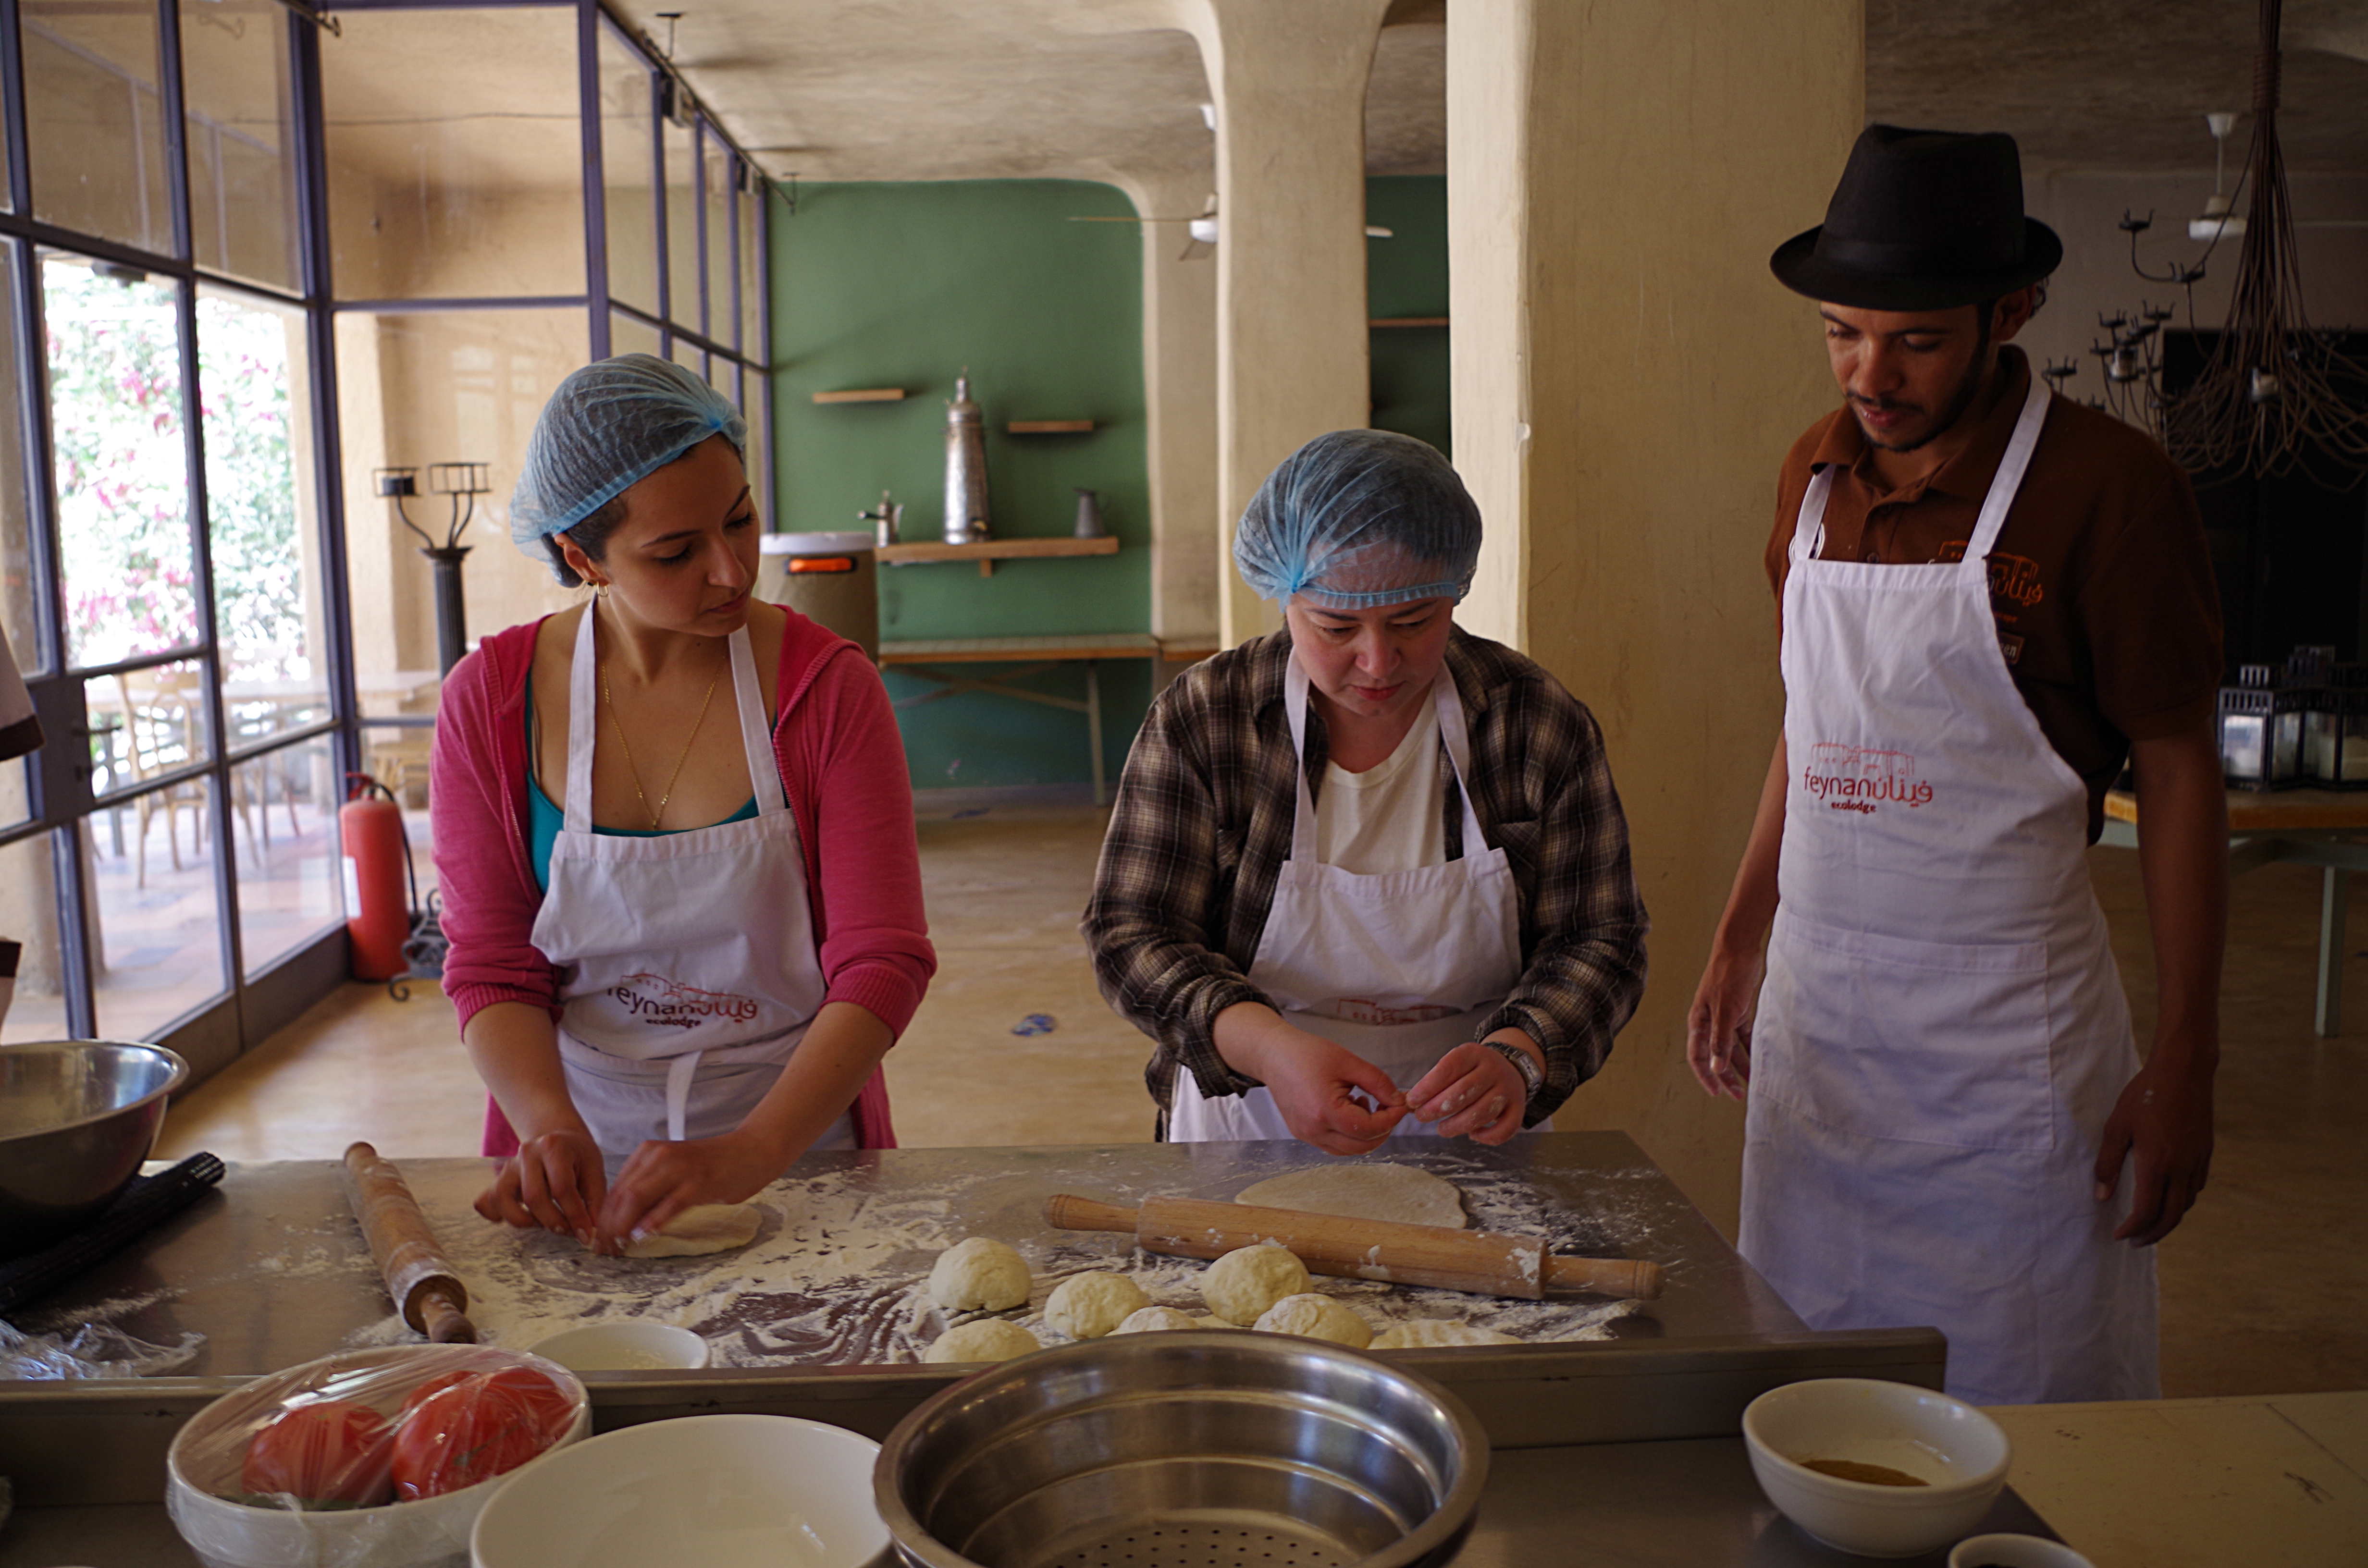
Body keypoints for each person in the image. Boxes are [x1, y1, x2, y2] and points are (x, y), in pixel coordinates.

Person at [1687, 126, 2227, 1404]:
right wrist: (1743, 925)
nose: (1871, 374)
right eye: (1842, 332)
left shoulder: (2108, 488)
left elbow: (2182, 769)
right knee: (1817, 1388)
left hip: (2004, 1049)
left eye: (1916, 340)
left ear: (2012, 311)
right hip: (1825, 1030)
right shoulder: (1813, 478)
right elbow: (1813, 722)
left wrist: (2190, 1059)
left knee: (2022, 1396)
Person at [433, 355, 934, 1252]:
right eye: (676, 552)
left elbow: (881, 960)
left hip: (798, 1142)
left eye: (741, 520)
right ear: (581, 557)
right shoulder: (491, 701)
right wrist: (546, 1128)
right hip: (582, 1156)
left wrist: (754, 1150)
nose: (733, 570)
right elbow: (495, 964)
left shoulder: (826, 690)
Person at [1085, 429, 1648, 1153]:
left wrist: (1520, 1053)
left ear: (1455, 590)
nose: (1378, 661)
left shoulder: (1531, 722)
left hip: (1473, 1125)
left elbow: (1600, 936)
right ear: (1285, 600)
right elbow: (1132, 931)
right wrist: (1271, 1050)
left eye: (1414, 622)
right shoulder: (1208, 720)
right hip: (1253, 1109)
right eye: (1337, 626)